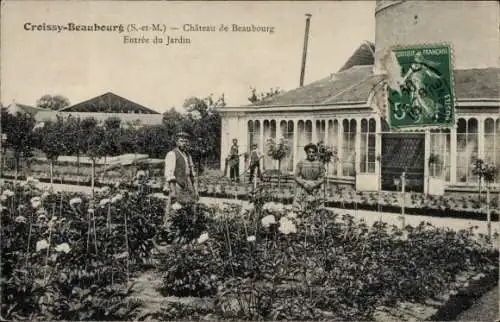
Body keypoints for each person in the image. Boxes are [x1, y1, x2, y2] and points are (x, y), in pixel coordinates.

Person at [164, 131, 199, 206]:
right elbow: (169, 175)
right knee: (176, 208)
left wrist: (195, 190)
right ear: (177, 142)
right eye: (181, 141)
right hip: (177, 185)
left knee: (189, 208)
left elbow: (192, 174)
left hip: (188, 185)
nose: (184, 143)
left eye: (186, 141)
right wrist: (173, 191)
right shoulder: (172, 154)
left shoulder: (188, 156)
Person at [292, 143, 325, 211]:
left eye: (313, 152)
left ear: (315, 153)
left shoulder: (319, 164)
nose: (311, 154)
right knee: (300, 208)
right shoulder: (301, 163)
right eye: (309, 152)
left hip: (315, 187)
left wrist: (315, 184)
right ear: (306, 152)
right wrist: (304, 183)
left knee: (317, 209)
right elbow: (296, 176)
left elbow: (322, 177)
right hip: (303, 187)